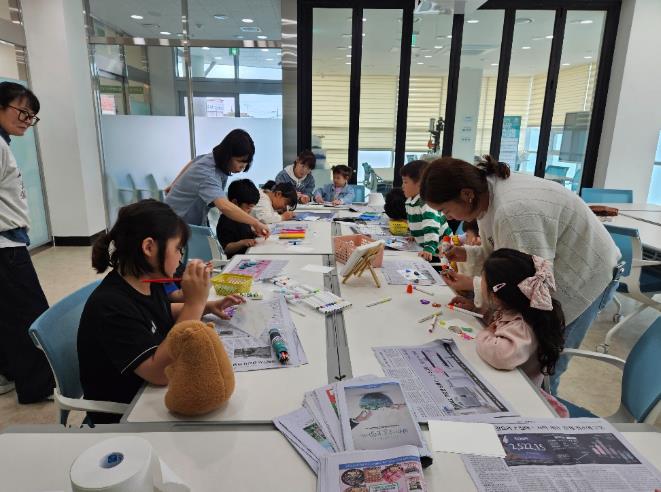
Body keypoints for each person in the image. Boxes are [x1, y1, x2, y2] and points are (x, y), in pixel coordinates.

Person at [420, 155, 621, 393]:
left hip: (583, 275)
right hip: (544, 269)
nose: (447, 217)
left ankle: (545, 408)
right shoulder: (484, 197)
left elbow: (526, 283)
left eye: (445, 210)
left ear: (466, 194)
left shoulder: (512, 212)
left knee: (545, 365)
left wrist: (475, 288)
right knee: (527, 351)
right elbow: (499, 254)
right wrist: (466, 254)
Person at [78, 200, 244, 424]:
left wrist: (207, 306)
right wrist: (194, 304)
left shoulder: (148, 279)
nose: (180, 257)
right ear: (149, 247)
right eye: (178, 249)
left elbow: (160, 311)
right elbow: (158, 373)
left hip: (149, 394)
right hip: (127, 412)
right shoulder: (110, 306)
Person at [455, 249, 568, 416]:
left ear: (496, 295)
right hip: (504, 382)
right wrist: (474, 309)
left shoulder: (523, 325)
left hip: (518, 398)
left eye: (483, 280)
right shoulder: (518, 308)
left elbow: (501, 355)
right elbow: (499, 323)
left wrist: (485, 333)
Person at [0, 81, 54, 403]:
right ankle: (36, 387)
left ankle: (9, 372)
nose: (27, 120)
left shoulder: (3, 143)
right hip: (6, 250)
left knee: (8, 315)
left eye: (31, 116)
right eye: (22, 112)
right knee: (30, 316)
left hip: (8, 245)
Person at [164, 129, 269, 238]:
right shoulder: (208, 173)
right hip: (174, 226)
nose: (242, 167)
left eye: (246, 163)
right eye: (239, 161)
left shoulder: (211, 159)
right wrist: (255, 223)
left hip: (189, 223)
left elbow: (194, 161)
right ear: (227, 155)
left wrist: (174, 184)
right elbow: (224, 206)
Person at [401, 160, 452, 262]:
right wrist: (414, 235)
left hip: (440, 248)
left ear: (420, 184)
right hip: (427, 247)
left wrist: (429, 247)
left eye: (405, 182)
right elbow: (416, 222)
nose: (402, 186)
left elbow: (431, 226)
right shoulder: (410, 201)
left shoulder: (426, 203)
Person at [217, 179, 259, 258]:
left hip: (250, 253)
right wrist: (242, 243)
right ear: (235, 202)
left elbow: (244, 233)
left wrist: (254, 233)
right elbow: (226, 248)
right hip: (238, 259)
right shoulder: (225, 221)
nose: (250, 211)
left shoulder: (243, 218)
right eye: (248, 207)